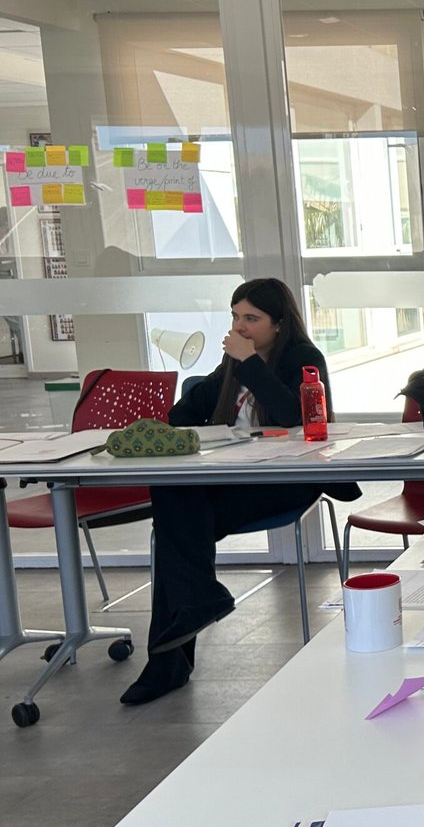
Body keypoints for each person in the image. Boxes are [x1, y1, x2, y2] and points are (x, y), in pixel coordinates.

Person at [119, 278, 357, 705]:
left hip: (287, 481)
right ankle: (194, 608)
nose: (240, 327)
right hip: (236, 478)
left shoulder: (302, 358)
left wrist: (249, 364)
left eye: (251, 318)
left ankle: (169, 660)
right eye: (235, 317)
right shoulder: (232, 362)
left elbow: (295, 418)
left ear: (278, 324)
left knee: (176, 529)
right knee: (173, 499)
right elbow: (181, 415)